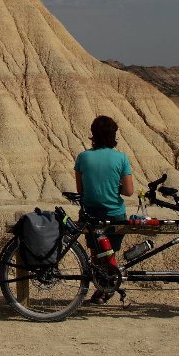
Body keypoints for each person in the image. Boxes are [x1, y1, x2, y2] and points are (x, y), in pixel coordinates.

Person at [74, 115, 134, 304]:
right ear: (113, 134)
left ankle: (101, 288)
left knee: (95, 253)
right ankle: (107, 288)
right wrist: (114, 188)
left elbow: (80, 190)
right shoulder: (121, 158)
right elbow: (129, 191)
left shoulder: (83, 157)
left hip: (91, 214)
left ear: (93, 134)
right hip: (114, 214)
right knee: (110, 254)